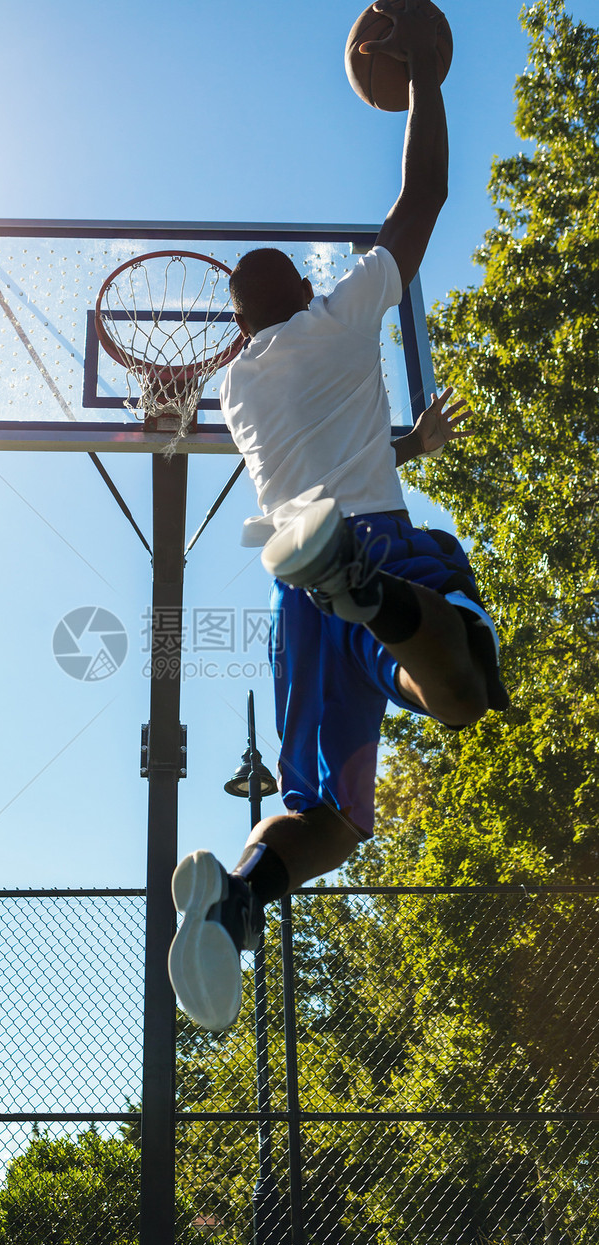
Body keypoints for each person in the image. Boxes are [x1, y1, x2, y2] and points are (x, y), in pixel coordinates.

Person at [168, 0, 508, 1034]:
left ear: (237, 324)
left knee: (326, 817)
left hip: (291, 588)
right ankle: (377, 596)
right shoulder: (337, 316)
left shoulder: (234, 393)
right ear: (300, 292)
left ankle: (235, 896)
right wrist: (424, 78)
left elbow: (315, 455)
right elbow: (426, 193)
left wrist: (402, 447)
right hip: (366, 545)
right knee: (464, 693)